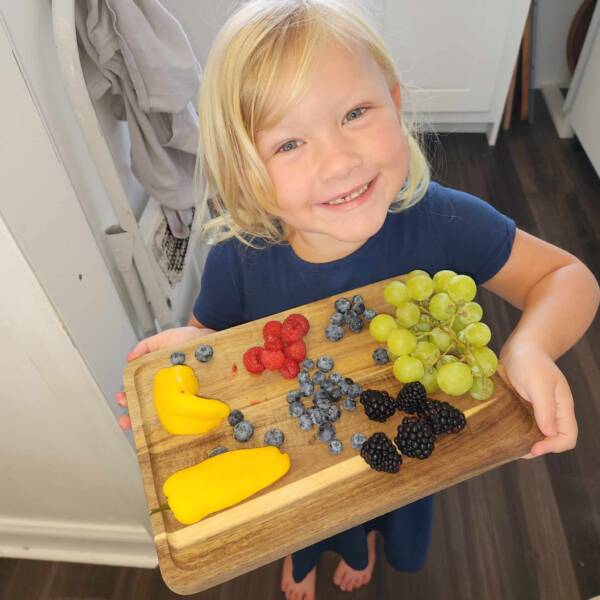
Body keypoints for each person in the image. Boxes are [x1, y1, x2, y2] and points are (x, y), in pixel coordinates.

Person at [115, 1, 600, 599]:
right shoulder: (237, 264)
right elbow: (215, 340)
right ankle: (312, 547)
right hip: (296, 454)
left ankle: (364, 538)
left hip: (401, 447)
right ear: (246, 174)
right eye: (289, 143)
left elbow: (566, 276)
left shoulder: (444, 223)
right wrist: (193, 350)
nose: (339, 160)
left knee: (376, 507)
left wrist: (531, 347)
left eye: (355, 112)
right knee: (304, 514)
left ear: (395, 103)